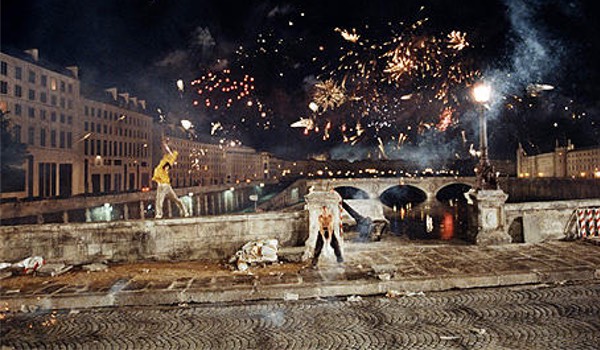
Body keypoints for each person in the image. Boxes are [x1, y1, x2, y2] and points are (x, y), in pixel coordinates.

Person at [152, 142, 189, 219]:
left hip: (165, 184)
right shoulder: (164, 159)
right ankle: (185, 211)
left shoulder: (170, 159)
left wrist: (166, 147)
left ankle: (159, 214)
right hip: (161, 183)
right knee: (172, 199)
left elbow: (171, 154)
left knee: (160, 199)